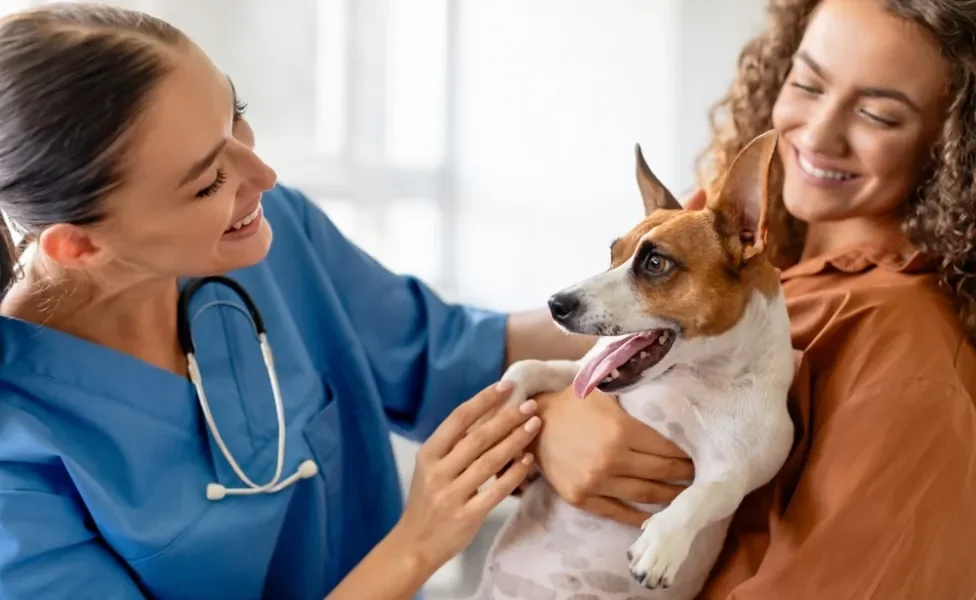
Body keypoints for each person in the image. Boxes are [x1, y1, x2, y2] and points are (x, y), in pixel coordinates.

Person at [0, 3, 695, 600]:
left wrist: (701, 297)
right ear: (77, 246)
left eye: (235, 117)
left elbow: (452, 354)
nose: (262, 173)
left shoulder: (273, 241)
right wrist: (420, 541)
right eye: (208, 179)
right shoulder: (18, 462)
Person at [530, 0, 976, 598]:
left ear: (950, 147)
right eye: (807, 82)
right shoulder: (742, 249)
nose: (817, 135)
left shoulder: (905, 353)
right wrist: (551, 423)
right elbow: (556, 332)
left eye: (876, 114)